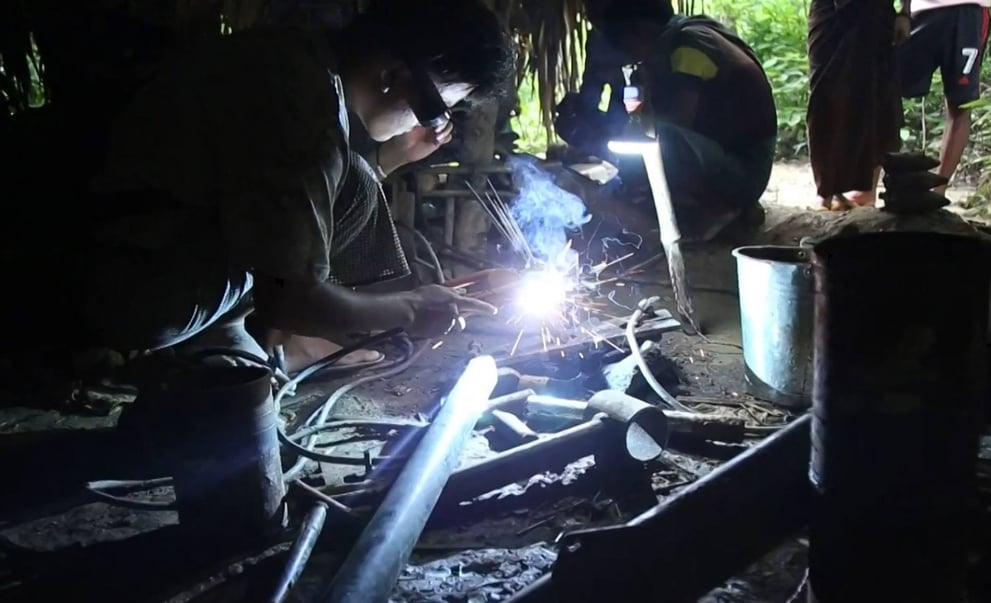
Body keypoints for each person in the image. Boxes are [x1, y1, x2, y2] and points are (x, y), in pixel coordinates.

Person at [9, 0, 514, 360]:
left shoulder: (300, 63)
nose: (429, 126)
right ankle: (274, 347)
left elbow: (314, 193)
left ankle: (261, 343)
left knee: (359, 180)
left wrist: (389, 161)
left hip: (134, 248)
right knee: (340, 224)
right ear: (393, 76)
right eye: (435, 110)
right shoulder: (303, 111)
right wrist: (406, 309)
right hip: (116, 282)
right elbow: (289, 295)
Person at [602, 0, 777, 240]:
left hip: (744, 171)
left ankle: (721, 209)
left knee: (660, 138)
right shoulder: (677, 41)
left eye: (626, 44)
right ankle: (717, 205)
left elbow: (677, 122)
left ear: (640, 30)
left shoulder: (689, 46)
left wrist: (647, 87)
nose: (627, 54)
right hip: (722, 159)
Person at [806, 0, 908, 210]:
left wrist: (905, 12)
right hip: (829, 10)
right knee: (824, 95)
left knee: (873, 94)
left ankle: (866, 191)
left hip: (874, 10)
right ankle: (826, 190)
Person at [898, 0, 991, 197]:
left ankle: (937, 192)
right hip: (919, 10)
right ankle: (867, 190)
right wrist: (904, 10)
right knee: (884, 92)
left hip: (970, 8)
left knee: (961, 103)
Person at [554, 0, 632, 161]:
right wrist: (573, 104)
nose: (591, 15)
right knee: (565, 123)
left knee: (621, 122)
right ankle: (596, 150)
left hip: (634, 114)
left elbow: (636, 92)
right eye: (590, 10)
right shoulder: (596, 40)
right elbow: (590, 90)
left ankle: (612, 154)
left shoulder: (633, 35)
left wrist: (619, 77)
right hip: (611, 117)